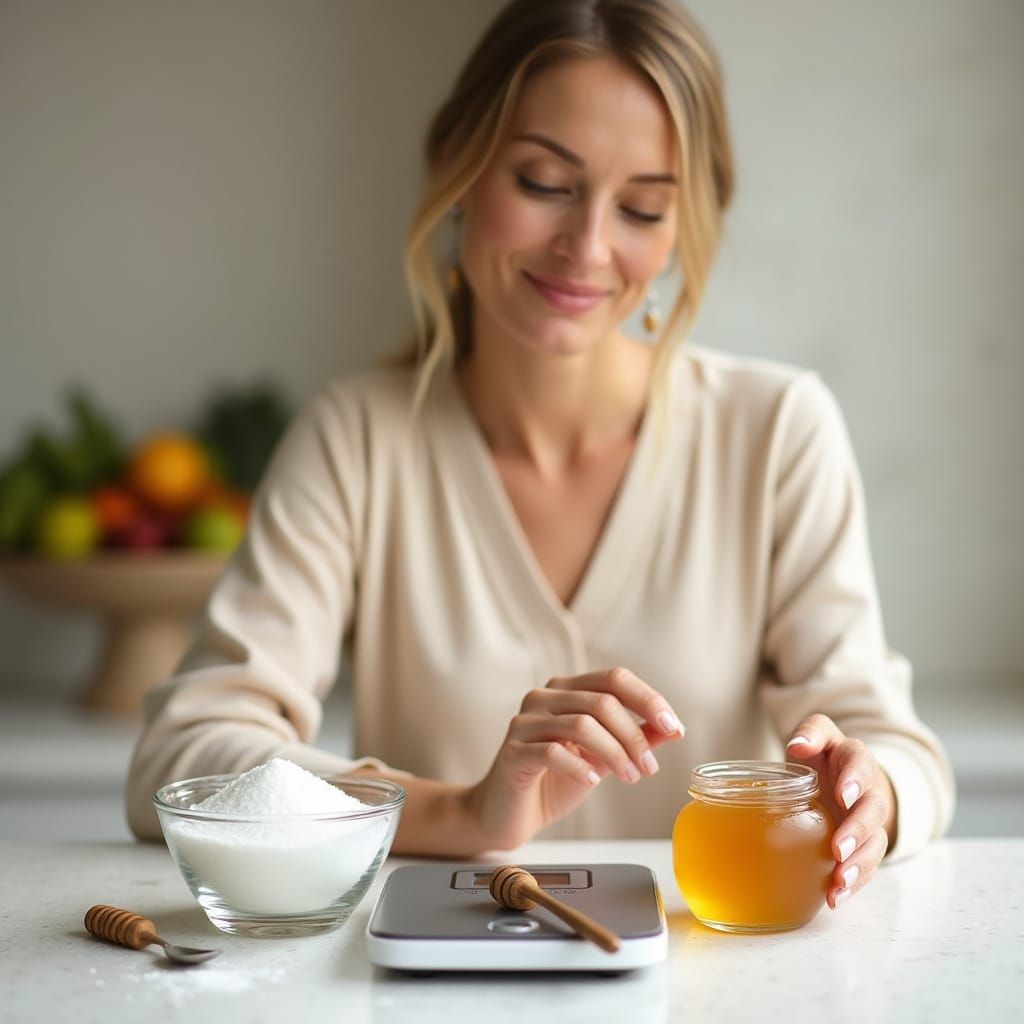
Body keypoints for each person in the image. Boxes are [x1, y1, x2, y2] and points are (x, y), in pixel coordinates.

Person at [126, 0, 955, 912]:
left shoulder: (777, 432)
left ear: (683, 228)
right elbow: (182, 758)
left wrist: (875, 795)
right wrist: (465, 811)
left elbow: (898, 749)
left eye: (642, 206)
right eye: (543, 182)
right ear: (461, 166)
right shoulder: (356, 442)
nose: (588, 247)